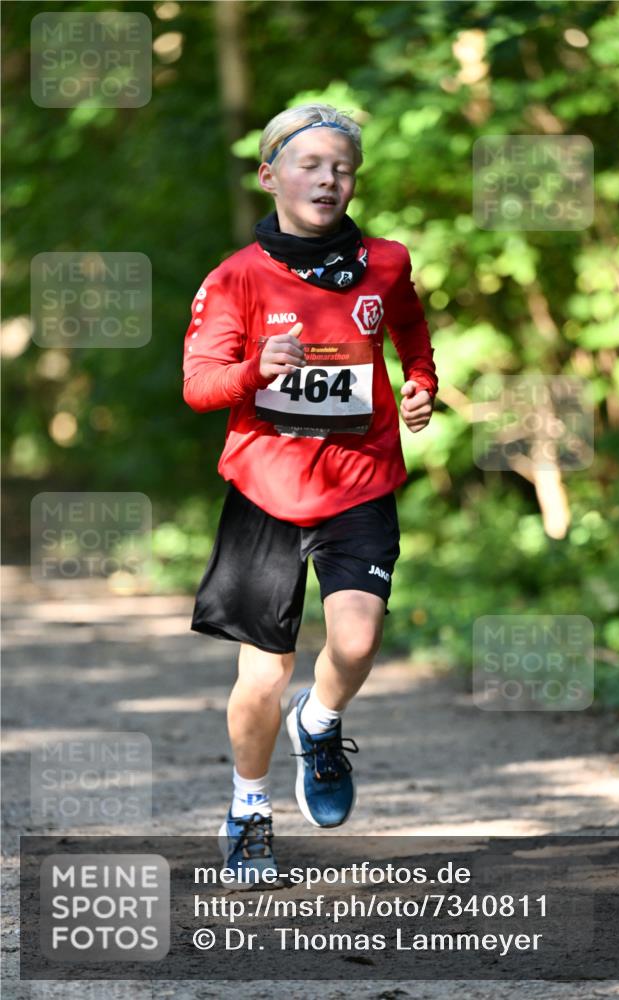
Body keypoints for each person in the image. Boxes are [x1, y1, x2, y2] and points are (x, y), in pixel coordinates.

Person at [183, 103, 437, 884]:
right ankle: (248, 813)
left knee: (356, 643)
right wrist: (258, 368)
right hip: (266, 487)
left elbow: (411, 337)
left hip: (360, 479)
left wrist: (422, 384)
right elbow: (199, 388)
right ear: (270, 176)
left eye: (343, 168)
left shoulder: (385, 263)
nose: (329, 179)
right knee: (263, 671)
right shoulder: (235, 278)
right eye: (310, 165)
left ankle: (319, 724)